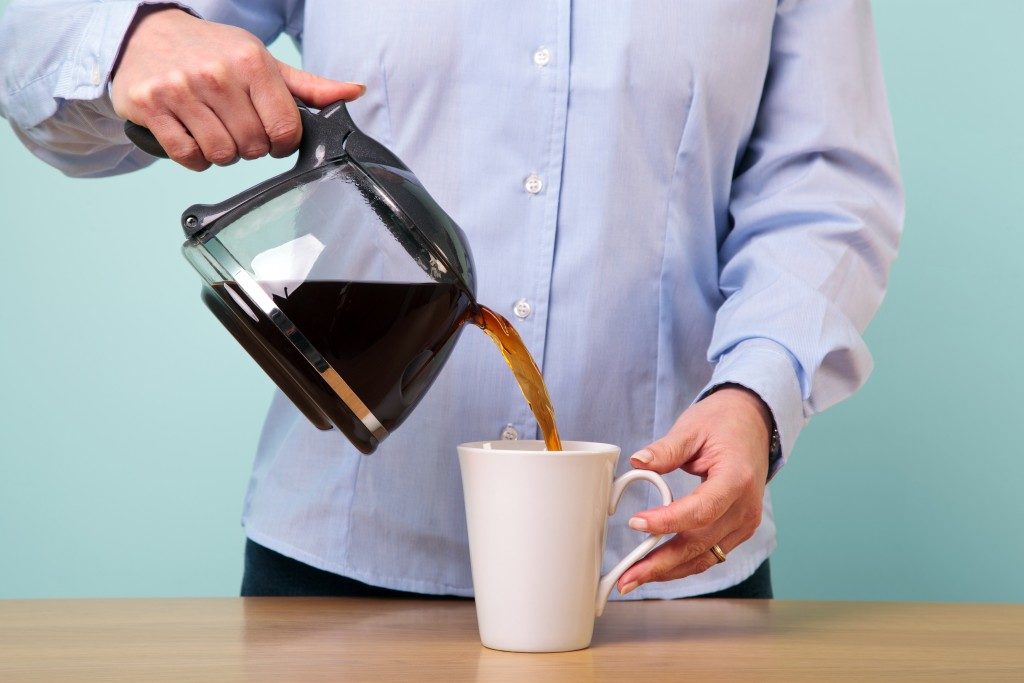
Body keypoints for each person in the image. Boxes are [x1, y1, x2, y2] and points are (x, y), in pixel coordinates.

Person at [0, 1, 902, 601]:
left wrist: (759, 394)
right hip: (340, 576)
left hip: (656, 572)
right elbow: (41, 51)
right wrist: (133, 37)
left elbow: (824, 185)